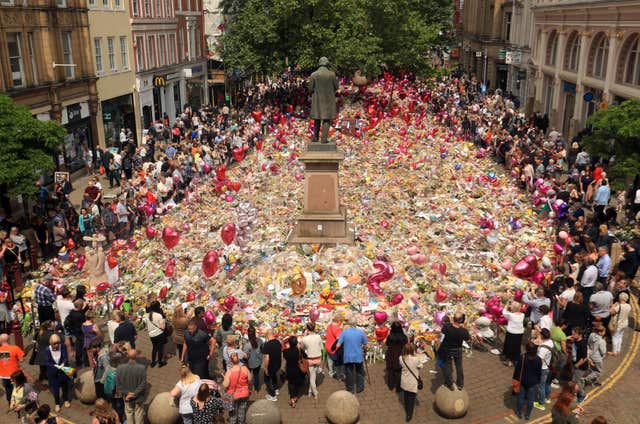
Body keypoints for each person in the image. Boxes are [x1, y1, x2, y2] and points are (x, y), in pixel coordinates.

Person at [309, 57, 339, 143]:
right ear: (327, 63)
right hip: (328, 99)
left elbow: (310, 89)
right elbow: (336, 87)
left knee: (317, 118)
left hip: (317, 100)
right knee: (326, 119)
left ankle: (315, 137)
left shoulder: (313, 75)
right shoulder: (332, 74)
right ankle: (324, 139)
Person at [335, 316, 368, 394]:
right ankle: (360, 388)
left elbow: (337, 345)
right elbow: (365, 344)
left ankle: (351, 388)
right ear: (356, 324)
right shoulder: (361, 332)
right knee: (359, 372)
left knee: (349, 373)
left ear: (349, 324)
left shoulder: (344, 333)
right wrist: (364, 350)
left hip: (348, 356)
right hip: (358, 355)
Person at [438, 312, 470, 391]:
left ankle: (450, 384)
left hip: (447, 349)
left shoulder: (446, 327)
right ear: (462, 320)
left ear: (453, 319)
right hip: (458, 349)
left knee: (447, 366)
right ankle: (460, 384)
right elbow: (468, 339)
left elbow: (441, 337)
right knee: (459, 366)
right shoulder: (463, 331)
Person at [115, 349, 147, 424]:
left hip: (126, 397)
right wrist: (134, 393)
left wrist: (128, 394)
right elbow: (143, 384)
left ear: (127, 356)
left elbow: (118, 384)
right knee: (138, 414)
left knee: (129, 413)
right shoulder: (142, 368)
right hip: (138, 397)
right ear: (136, 356)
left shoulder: (120, 368)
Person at [513, 342, 542, 420]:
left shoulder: (522, 357)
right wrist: (538, 381)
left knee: (520, 398)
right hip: (533, 382)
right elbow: (539, 372)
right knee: (531, 399)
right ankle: (527, 415)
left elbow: (517, 370)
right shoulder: (538, 359)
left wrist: (515, 379)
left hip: (522, 381)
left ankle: (519, 413)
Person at [44, 334, 71, 413]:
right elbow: (47, 362)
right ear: (51, 343)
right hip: (53, 373)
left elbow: (65, 357)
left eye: (58, 343)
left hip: (63, 371)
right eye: (54, 344)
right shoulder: (47, 350)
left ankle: (66, 400)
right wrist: (56, 366)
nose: (57, 345)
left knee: (65, 387)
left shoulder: (63, 346)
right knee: (55, 389)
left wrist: (63, 363)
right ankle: (57, 403)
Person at [223, 350, 252, 423]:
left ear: (230, 361)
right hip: (244, 393)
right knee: (241, 411)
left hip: (233, 395)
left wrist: (224, 378)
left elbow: (225, 385)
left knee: (233, 412)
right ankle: (240, 422)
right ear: (238, 360)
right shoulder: (245, 368)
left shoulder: (229, 372)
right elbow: (250, 379)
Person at [0, 333, 26, 404]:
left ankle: (10, 402)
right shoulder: (15, 348)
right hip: (15, 374)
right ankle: (19, 402)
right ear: (8, 340)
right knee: (18, 388)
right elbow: (22, 360)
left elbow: (4, 359)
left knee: (8, 389)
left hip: (4, 375)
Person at [399, 343, 422, 422]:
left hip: (405, 380)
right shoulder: (416, 359)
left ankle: (407, 409)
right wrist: (416, 355)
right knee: (411, 398)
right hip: (413, 381)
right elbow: (420, 366)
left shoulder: (401, 358)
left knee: (406, 396)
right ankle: (409, 414)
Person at [301, 322, 324, 399]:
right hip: (318, 358)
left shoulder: (304, 339)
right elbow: (321, 348)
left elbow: (302, 348)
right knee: (313, 376)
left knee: (311, 377)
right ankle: (310, 391)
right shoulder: (318, 337)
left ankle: (315, 393)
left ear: (307, 329)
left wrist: (303, 338)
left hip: (310, 359)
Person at [283, 336, 306, 408]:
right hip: (298, 369)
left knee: (291, 384)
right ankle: (295, 396)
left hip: (290, 370)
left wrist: (286, 347)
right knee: (297, 383)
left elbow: (285, 357)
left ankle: (292, 399)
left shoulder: (286, 351)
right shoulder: (299, 350)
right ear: (296, 343)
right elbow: (305, 356)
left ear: (289, 343)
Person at [384, 321, 408, 391]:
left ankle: (391, 385)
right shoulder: (404, 337)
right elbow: (406, 345)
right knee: (399, 371)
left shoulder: (390, 337)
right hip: (400, 355)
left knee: (391, 371)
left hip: (391, 355)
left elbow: (387, 344)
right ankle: (399, 387)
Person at [534, 328, 554, 410]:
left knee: (541, 386)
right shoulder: (551, 342)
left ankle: (541, 404)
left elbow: (540, 361)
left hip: (543, 369)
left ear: (542, 335)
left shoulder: (543, 349)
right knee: (548, 384)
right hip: (549, 366)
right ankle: (547, 398)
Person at [144, 300, 167, 368]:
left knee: (154, 348)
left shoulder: (146, 315)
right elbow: (163, 327)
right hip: (159, 334)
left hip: (151, 335)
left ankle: (153, 362)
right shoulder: (159, 315)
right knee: (160, 349)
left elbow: (145, 323)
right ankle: (160, 362)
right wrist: (164, 321)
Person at [64, 299, 87, 368]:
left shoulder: (71, 312)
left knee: (78, 346)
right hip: (80, 331)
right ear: (80, 306)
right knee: (83, 346)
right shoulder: (80, 315)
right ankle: (85, 362)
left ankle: (79, 361)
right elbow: (84, 321)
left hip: (74, 331)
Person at [569, 327, 588, 403]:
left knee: (575, 382)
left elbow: (584, 357)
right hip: (575, 364)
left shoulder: (582, 344)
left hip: (580, 367)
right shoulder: (576, 341)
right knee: (576, 380)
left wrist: (577, 364)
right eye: (572, 333)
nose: (572, 335)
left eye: (574, 334)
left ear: (580, 335)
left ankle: (582, 395)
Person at [502, 300, 525, 366]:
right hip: (520, 333)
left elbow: (504, 312)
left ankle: (509, 361)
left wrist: (506, 304)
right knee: (517, 346)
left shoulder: (511, 315)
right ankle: (516, 359)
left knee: (510, 346)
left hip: (512, 333)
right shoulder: (522, 315)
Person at [262, 329, 282, 402]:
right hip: (278, 364)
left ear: (267, 334)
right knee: (274, 376)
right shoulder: (278, 342)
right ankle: (276, 389)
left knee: (267, 380)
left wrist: (266, 368)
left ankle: (272, 395)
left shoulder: (267, 345)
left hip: (271, 365)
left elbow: (267, 358)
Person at [608, 292, 631, 356]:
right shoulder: (628, 306)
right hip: (625, 323)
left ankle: (614, 352)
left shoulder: (619, 307)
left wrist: (613, 306)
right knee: (620, 337)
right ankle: (618, 350)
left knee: (614, 337)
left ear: (620, 298)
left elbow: (611, 312)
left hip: (617, 324)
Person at [242, 325, 263, 392]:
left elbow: (246, 356)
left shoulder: (247, 345)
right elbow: (262, 349)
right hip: (258, 362)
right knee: (256, 375)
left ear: (248, 334)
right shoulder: (260, 341)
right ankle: (257, 389)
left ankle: (248, 388)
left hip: (249, 363)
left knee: (248, 376)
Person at [325, 314, 343, 379]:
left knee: (329, 360)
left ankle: (331, 372)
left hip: (327, 345)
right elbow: (339, 340)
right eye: (341, 322)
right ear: (339, 321)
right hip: (333, 348)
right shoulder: (338, 329)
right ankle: (337, 373)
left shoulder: (329, 326)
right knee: (336, 361)